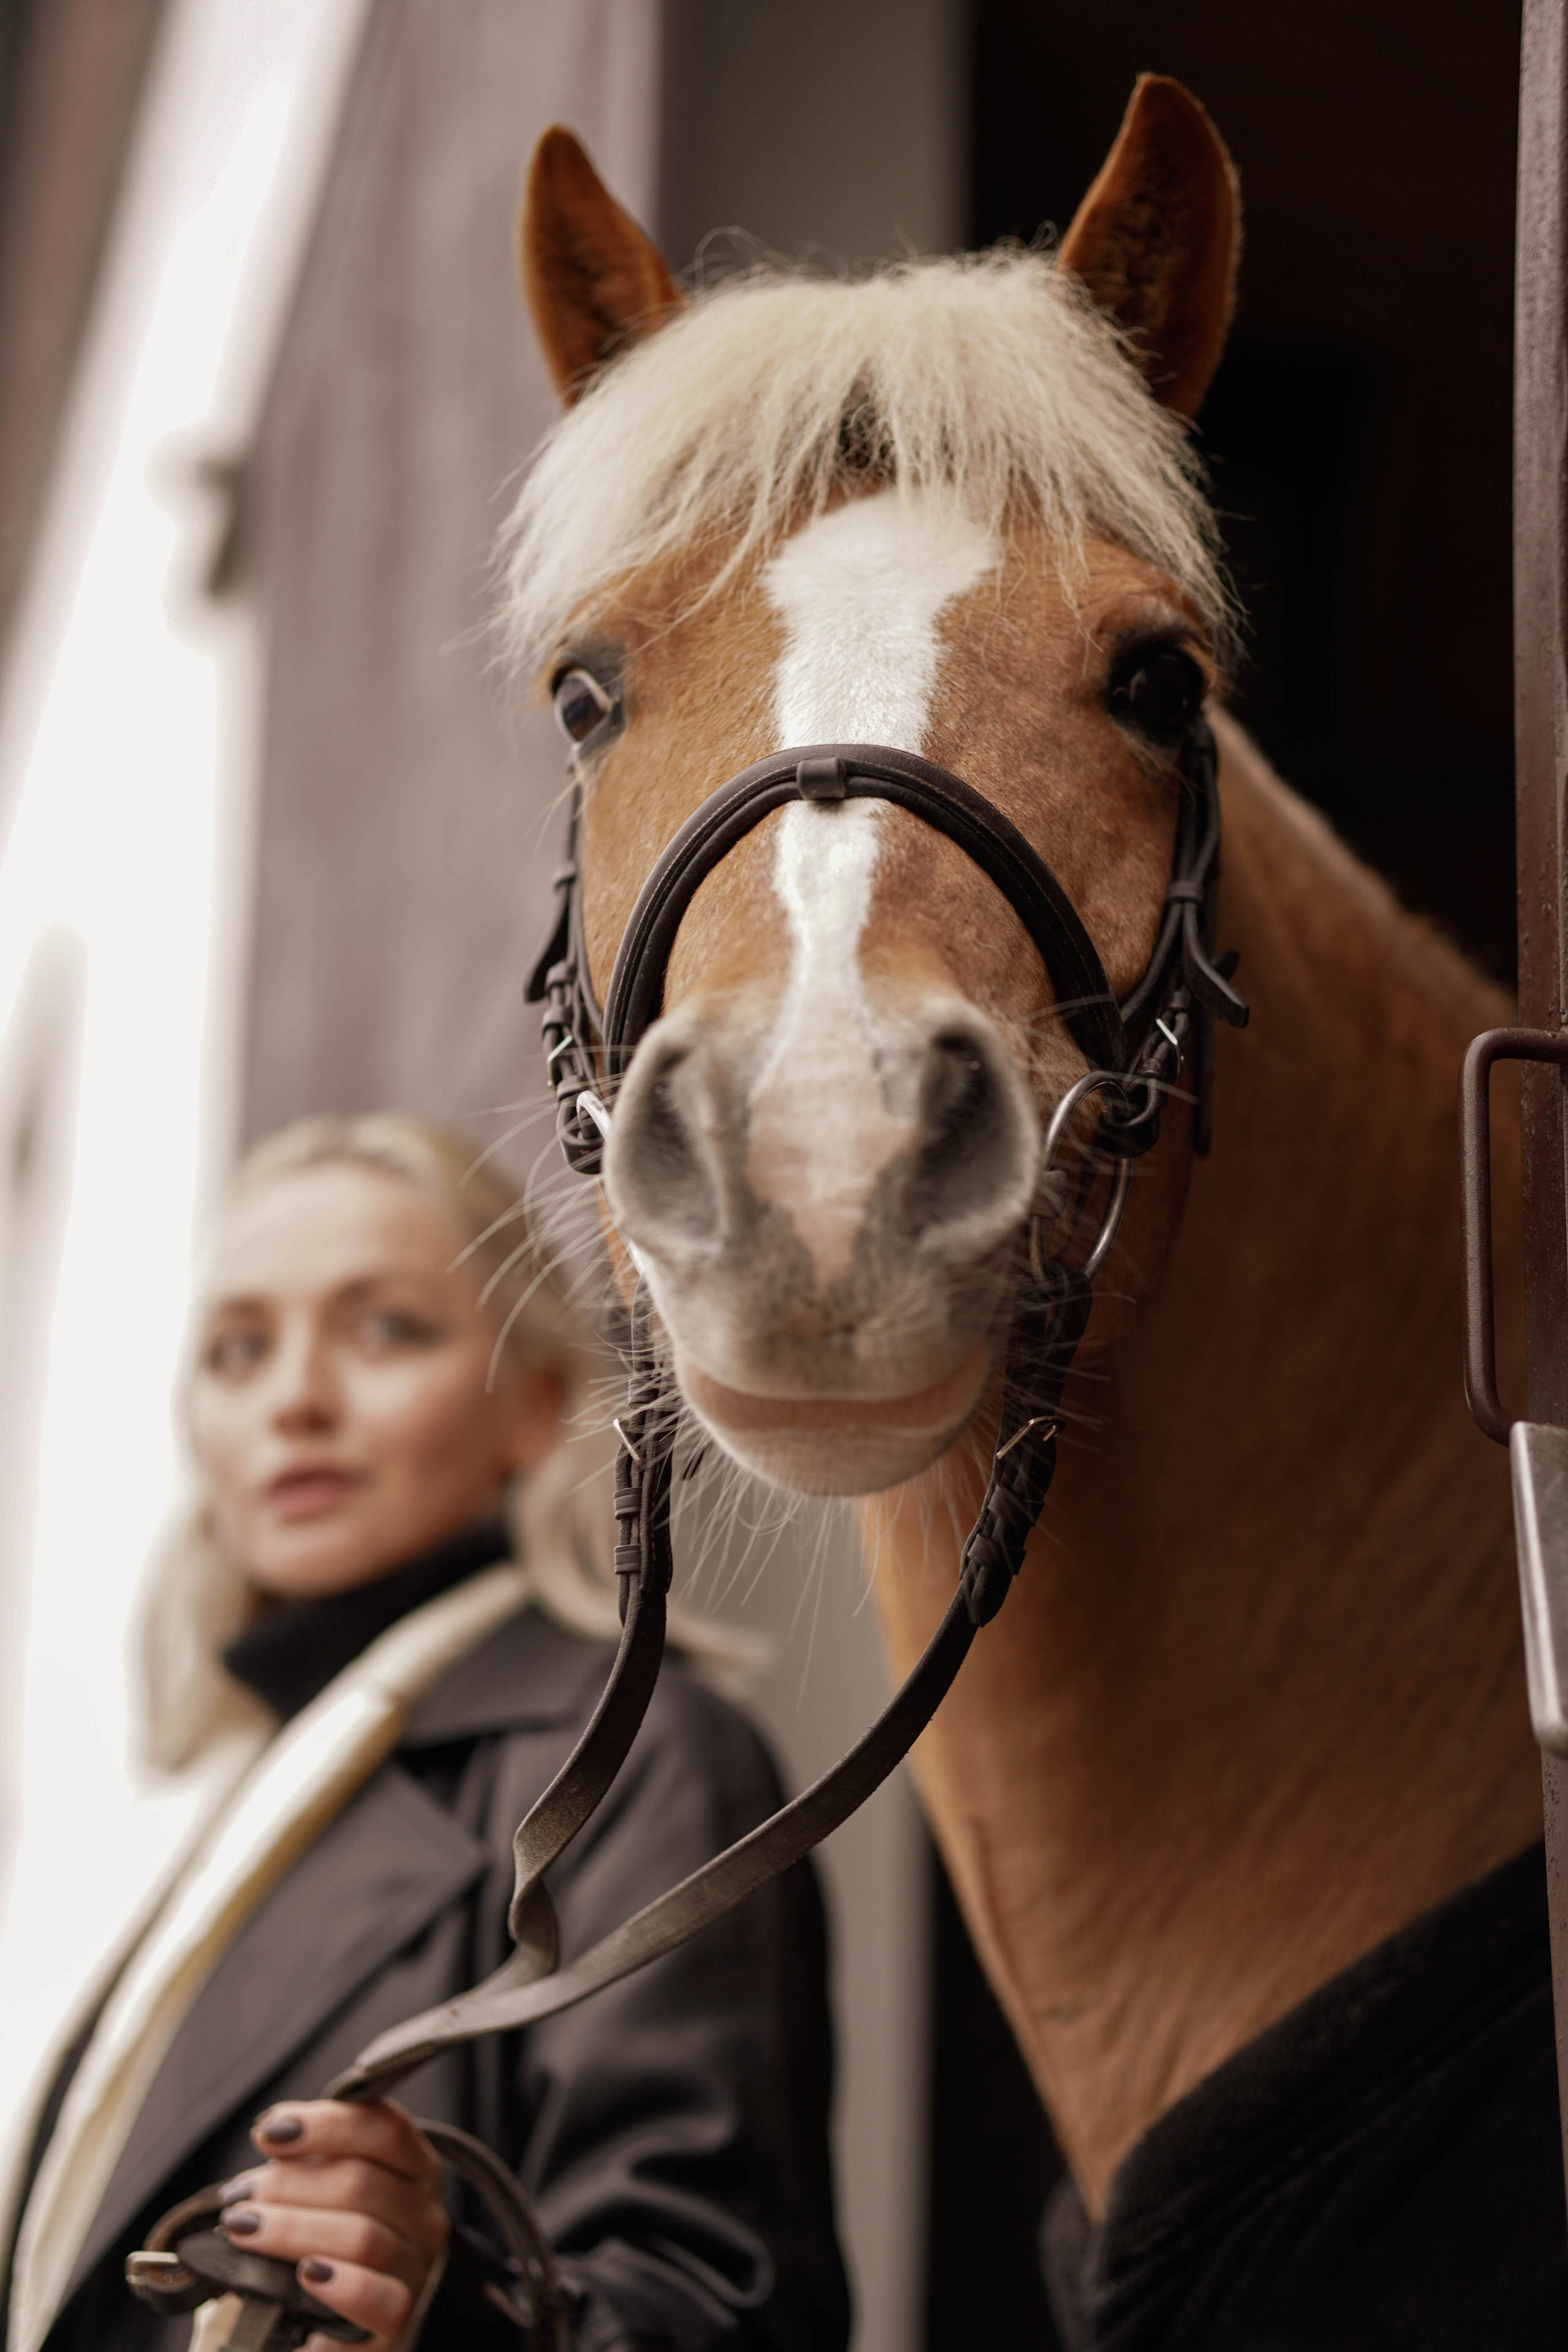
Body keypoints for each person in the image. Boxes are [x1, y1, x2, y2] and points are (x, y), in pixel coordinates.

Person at [1, 1115, 848, 2352]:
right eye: (238, 1351)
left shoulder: (633, 1758)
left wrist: (448, 2299)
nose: (295, 1399)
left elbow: (729, 2314)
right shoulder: (247, 1797)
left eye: (385, 1328)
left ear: (535, 1405)